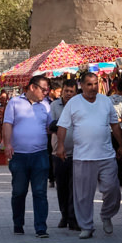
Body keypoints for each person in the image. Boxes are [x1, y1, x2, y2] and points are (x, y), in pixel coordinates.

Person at [56, 70, 122, 239]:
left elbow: (114, 125)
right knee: (83, 195)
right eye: (89, 84)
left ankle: (106, 215)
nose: (93, 88)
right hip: (83, 157)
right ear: (82, 85)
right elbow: (62, 127)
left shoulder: (105, 101)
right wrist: (61, 146)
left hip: (106, 155)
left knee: (112, 189)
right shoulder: (73, 103)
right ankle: (86, 226)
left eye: (95, 84)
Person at [2, 74, 53, 237]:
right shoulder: (14, 103)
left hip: (40, 155)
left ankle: (41, 227)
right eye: (43, 89)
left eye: (47, 90)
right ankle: (18, 223)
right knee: (19, 191)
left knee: (40, 192)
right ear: (33, 87)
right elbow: (7, 124)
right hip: (19, 156)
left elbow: (50, 127)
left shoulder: (46, 106)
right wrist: (7, 144)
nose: (46, 92)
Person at [50, 78, 78, 229]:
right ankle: (64, 215)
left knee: (74, 187)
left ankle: (73, 218)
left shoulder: (80, 105)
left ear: (76, 92)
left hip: (77, 153)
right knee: (61, 187)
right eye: (66, 91)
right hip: (58, 154)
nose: (68, 94)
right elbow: (52, 125)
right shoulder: (55, 105)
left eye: (71, 92)